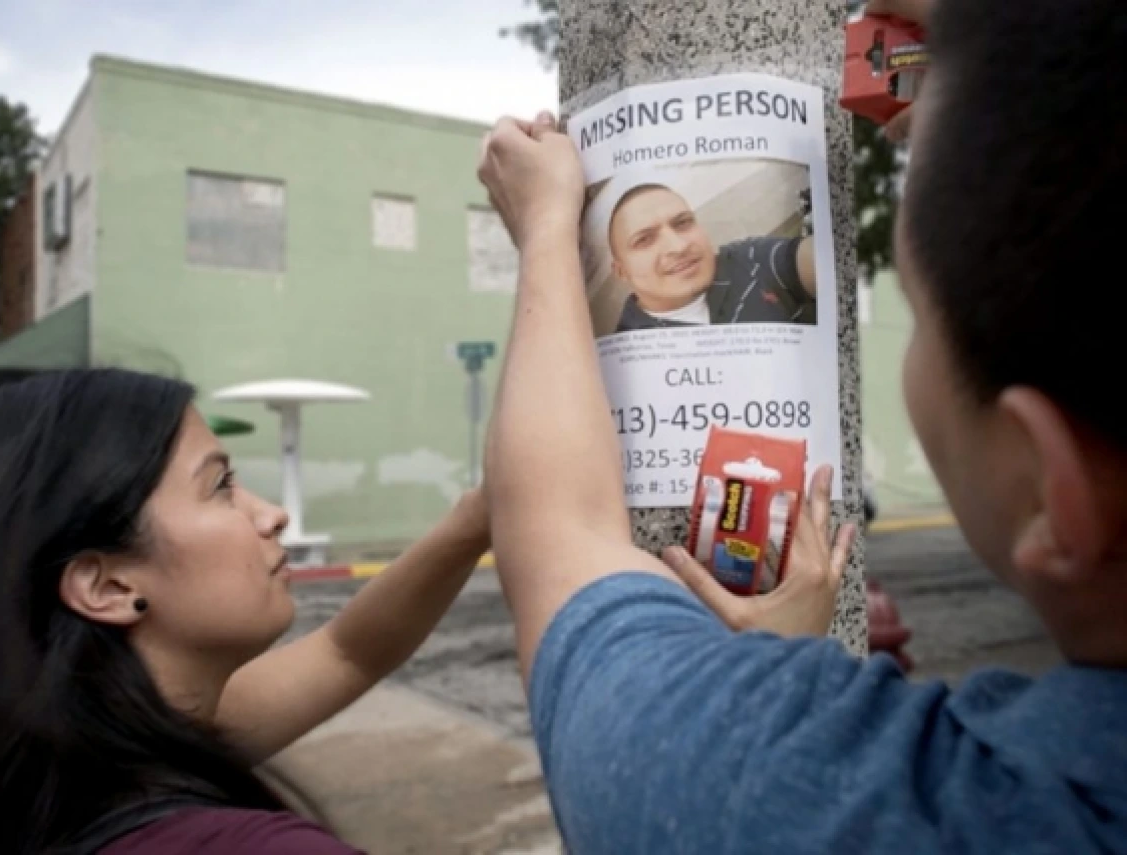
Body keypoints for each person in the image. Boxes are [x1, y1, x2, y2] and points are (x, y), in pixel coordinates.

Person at [477, 0, 1127, 851]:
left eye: (920, 317)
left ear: (1051, 488)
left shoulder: (806, 799)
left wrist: (543, 230)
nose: (678, 242)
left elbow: (559, 540)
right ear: (623, 270)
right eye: (648, 235)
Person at [0, 369, 489, 853]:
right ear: (109, 586)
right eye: (220, 485)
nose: (273, 515)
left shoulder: (53, 765)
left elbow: (348, 652)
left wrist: (473, 522)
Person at [608, 182, 816, 332]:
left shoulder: (749, 261)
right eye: (645, 239)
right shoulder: (625, 351)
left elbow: (818, 263)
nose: (679, 247)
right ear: (622, 271)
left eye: (683, 223)